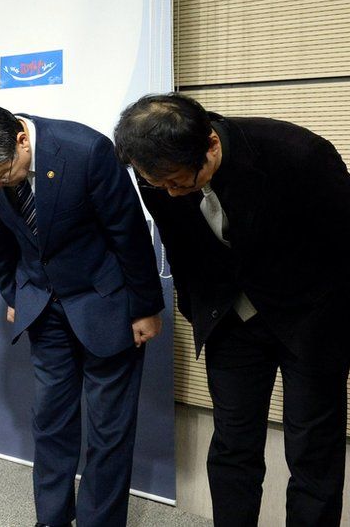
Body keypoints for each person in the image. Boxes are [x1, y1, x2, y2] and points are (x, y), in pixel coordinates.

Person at [114, 92, 350, 527]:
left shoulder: (298, 155)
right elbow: (181, 248)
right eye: (157, 183)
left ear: (210, 146)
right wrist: (196, 308)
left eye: (178, 182)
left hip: (311, 321)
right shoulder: (158, 176)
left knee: (313, 448)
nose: (169, 192)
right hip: (230, 321)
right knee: (232, 445)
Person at [0, 100, 164, 527]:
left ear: (22, 141)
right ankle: (51, 518)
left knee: (108, 429)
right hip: (43, 308)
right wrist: (14, 294)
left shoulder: (86, 150)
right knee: (50, 422)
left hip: (105, 304)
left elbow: (129, 232)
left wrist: (144, 307)